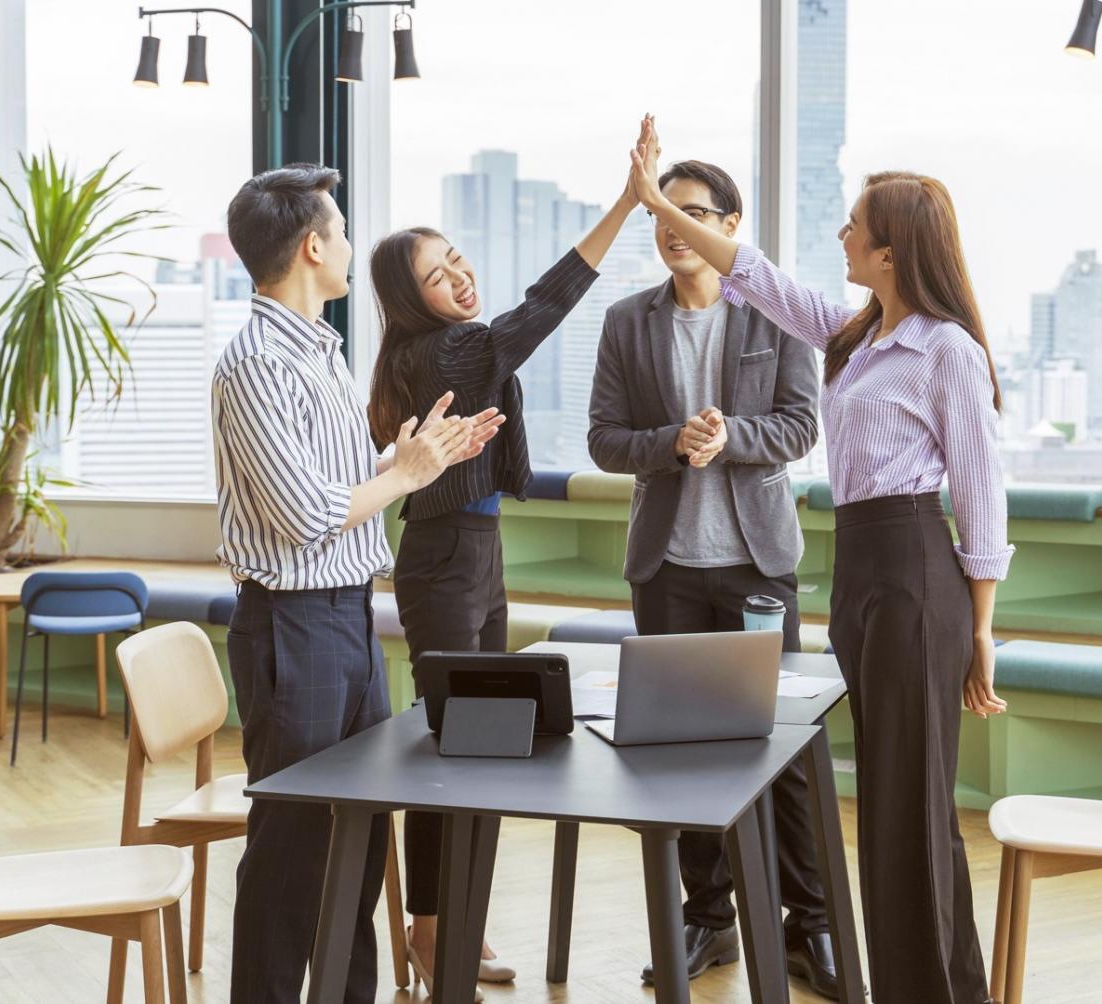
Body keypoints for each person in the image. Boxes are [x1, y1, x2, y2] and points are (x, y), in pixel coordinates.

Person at [629, 119, 1013, 1004]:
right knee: (887, 803)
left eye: (852, 226)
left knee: (907, 810)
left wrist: (982, 628)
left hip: (917, 571)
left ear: (890, 249)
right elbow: (754, 276)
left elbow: (981, 491)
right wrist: (654, 204)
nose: (840, 235)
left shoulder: (945, 350)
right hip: (866, 574)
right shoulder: (858, 335)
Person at [212, 163, 503, 1004]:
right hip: (293, 627)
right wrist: (405, 475)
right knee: (295, 847)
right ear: (311, 246)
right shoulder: (260, 363)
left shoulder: (322, 352)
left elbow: (335, 488)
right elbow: (307, 515)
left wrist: (419, 458)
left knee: (363, 838)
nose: (345, 244)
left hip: (347, 618)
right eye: (337, 232)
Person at [366, 148, 643, 995]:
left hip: (475, 552)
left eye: (457, 259)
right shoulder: (448, 350)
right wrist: (626, 204)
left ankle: (452, 920)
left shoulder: (443, 350)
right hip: (447, 559)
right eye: (436, 272)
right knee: (450, 747)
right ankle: (429, 929)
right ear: (409, 297)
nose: (458, 274)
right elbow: (543, 308)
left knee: (477, 745)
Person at [588, 156, 842, 997]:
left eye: (691, 211)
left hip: (757, 570)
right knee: (677, 753)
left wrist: (729, 436)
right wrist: (671, 443)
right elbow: (603, 440)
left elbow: (802, 424)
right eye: (662, 213)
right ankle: (708, 919)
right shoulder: (627, 321)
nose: (672, 227)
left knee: (786, 751)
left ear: (728, 228)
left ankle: (809, 927)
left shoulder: (771, 316)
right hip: (665, 572)